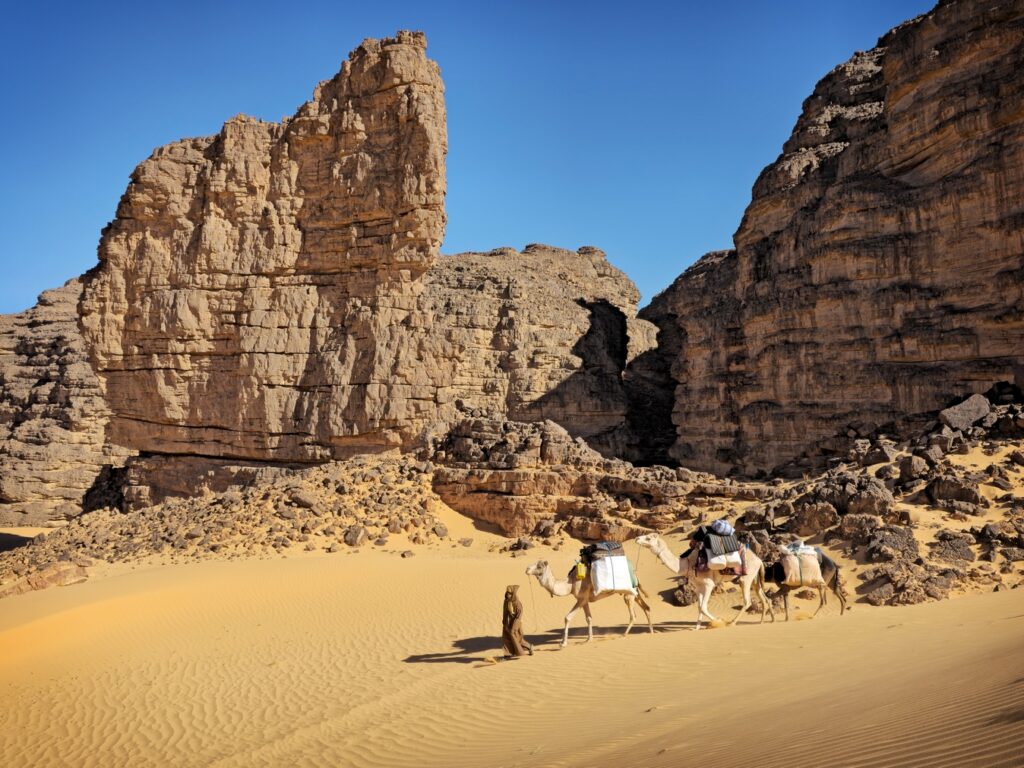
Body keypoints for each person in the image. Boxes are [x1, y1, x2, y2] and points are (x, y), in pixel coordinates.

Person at [501, 584, 533, 658]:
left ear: (513, 594)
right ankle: (508, 653)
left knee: (517, 638)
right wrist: (504, 622)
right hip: (509, 621)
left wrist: (514, 626)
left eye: (509, 593)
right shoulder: (506, 601)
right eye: (507, 592)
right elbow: (505, 612)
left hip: (516, 622)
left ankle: (529, 647)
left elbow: (519, 615)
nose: (507, 594)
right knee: (506, 637)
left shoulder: (517, 603)